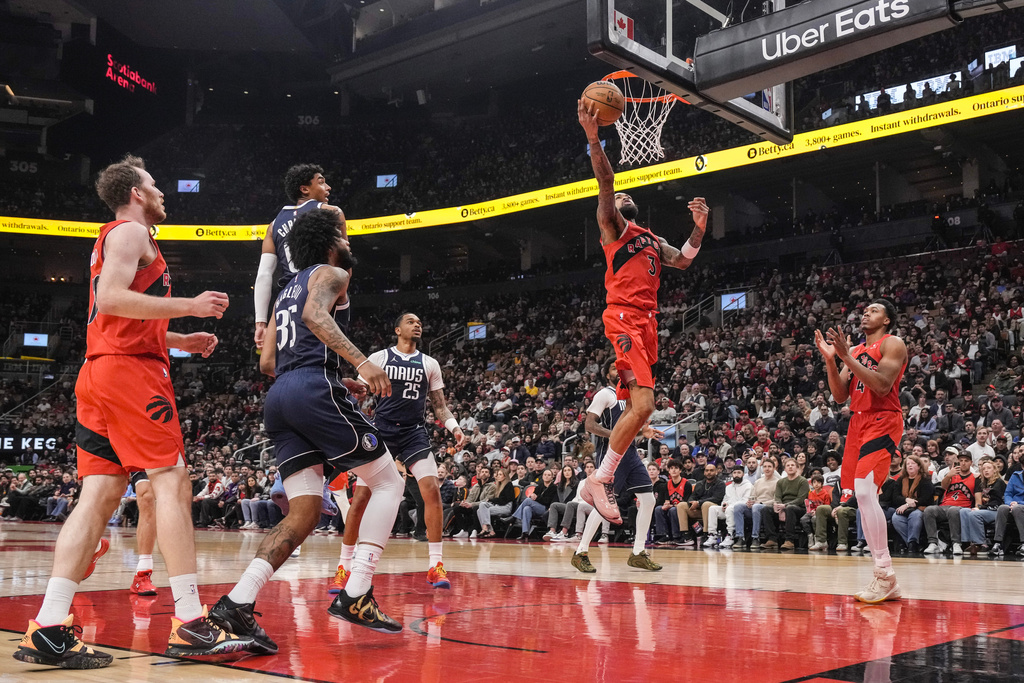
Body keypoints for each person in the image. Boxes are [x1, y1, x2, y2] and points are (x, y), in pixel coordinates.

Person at [13, 156, 252, 670]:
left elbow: (117, 316)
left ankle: (49, 626)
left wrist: (177, 337)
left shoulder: (120, 237)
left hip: (101, 370)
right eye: (156, 185)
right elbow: (112, 299)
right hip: (129, 376)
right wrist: (188, 304)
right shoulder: (128, 231)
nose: (163, 192)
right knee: (172, 481)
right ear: (137, 193)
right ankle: (190, 622)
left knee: (98, 495)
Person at [208, 207, 404, 647]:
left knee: (305, 512)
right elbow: (317, 317)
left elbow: (267, 362)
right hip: (313, 389)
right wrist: (361, 362)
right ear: (331, 239)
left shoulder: (284, 290)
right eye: (345, 232)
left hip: (281, 397)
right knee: (389, 481)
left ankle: (236, 604)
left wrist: (334, 374)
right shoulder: (331, 273)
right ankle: (357, 592)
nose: (350, 238)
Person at [577, 99, 709, 525]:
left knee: (643, 409)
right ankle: (601, 478)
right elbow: (606, 178)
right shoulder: (614, 227)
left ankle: (601, 477)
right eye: (619, 196)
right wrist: (594, 136)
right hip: (624, 317)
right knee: (645, 405)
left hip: (649, 323)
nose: (623, 196)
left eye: (628, 195)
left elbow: (684, 260)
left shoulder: (651, 239)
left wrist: (700, 230)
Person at [337, 312, 465, 593]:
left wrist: (454, 428)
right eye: (411, 321)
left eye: (420, 322)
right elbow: (356, 391)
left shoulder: (429, 363)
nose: (417, 324)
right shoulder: (380, 357)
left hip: (413, 432)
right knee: (360, 497)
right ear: (397, 329)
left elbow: (439, 406)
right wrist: (354, 392)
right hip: (381, 429)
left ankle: (435, 565)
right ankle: (344, 566)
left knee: (430, 488)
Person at [816, 298, 908, 602]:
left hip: (884, 418)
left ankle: (885, 573)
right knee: (861, 493)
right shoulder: (853, 350)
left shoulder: (892, 343)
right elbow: (840, 395)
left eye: (874, 310)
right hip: (857, 422)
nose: (866, 312)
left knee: (868, 492)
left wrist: (847, 358)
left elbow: (882, 386)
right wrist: (832, 360)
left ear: (886, 320)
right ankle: (883, 576)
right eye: (865, 309)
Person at [573, 360, 663, 573]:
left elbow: (629, 429)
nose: (619, 370)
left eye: (620, 367)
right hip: (611, 454)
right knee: (603, 505)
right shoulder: (605, 394)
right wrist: (615, 435)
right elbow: (589, 425)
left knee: (648, 499)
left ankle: (638, 552)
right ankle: (580, 552)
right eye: (613, 368)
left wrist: (643, 433)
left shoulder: (631, 396)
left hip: (630, 453)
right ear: (606, 375)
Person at [254, 164, 343, 348]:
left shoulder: (273, 225)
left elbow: (263, 275)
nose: (328, 187)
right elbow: (343, 260)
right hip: (319, 290)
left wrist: (260, 322)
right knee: (324, 356)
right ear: (304, 189)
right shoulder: (332, 212)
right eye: (321, 182)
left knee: (271, 363)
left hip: (287, 296)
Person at [923, 450, 976, 555]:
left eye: (966, 461)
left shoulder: (975, 477)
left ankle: (956, 543)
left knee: (953, 510)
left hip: (963, 507)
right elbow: (943, 487)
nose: (963, 463)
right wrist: (948, 476)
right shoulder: (951, 475)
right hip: (945, 506)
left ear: (971, 463)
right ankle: (933, 543)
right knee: (929, 510)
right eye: (961, 461)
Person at [889, 455, 934, 553]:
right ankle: (911, 543)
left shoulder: (925, 479)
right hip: (904, 507)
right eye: (908, 464)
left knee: (915, 515)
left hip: (920, 508)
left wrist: (909, 504)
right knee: (896, 517)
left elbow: (926, 498)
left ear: (918, 466)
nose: (910, 466)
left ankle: (912, 542)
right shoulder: (901, 480)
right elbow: (895, 497)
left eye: (913, 463)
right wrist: (906, 500)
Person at [960, 458, 1005, 553]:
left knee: (975, 514)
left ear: (995, 470)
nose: (986, 470)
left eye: (989, 468)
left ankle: (981, 544)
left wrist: (980, 508)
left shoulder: (998, 483)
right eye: (984, 469)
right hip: (986, 510)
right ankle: (968, 543)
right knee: (963, 511)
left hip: (996, 511)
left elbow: (996, 503)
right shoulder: (984, 483)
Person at [707, 466, 753, 548]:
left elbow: (745, 501)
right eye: (734, 473)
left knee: (730, 508)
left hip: (741, 511)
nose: (736, 475)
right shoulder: (728, 487)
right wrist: (724, 505)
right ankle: (712, 535)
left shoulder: (748, 486)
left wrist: (729, 505)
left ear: (743, 474)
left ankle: (730, 535)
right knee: (712, 509)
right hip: (728, 510)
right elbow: (725, 499)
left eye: (739, 473)